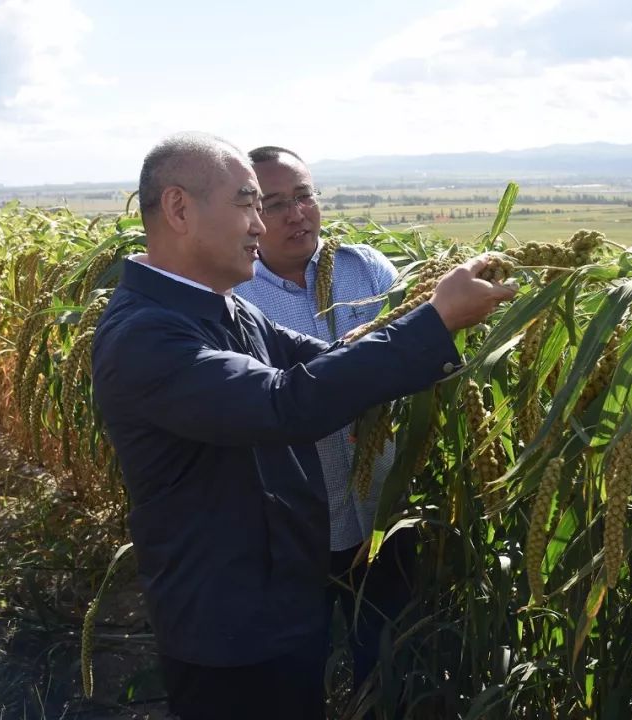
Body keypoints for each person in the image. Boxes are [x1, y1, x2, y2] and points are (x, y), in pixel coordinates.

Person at [90, 132, 515, 720]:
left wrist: (429, 318)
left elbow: (322, 359)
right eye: (247, 203)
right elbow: (284, 404)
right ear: (179, 208)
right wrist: (435, 322)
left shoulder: (221, 306)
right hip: (227, 628)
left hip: (277, 605)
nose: (261, 225)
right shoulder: (147, 337)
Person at [233, 146, 407, 696]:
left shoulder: (368, 269)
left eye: (304, 196)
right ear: (250, 215)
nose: (296, 214)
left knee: (384, 652)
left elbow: (414, 356)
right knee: (293, 664)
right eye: (275, 202)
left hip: (382, 510)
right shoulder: (236, 292)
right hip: (293, 521)